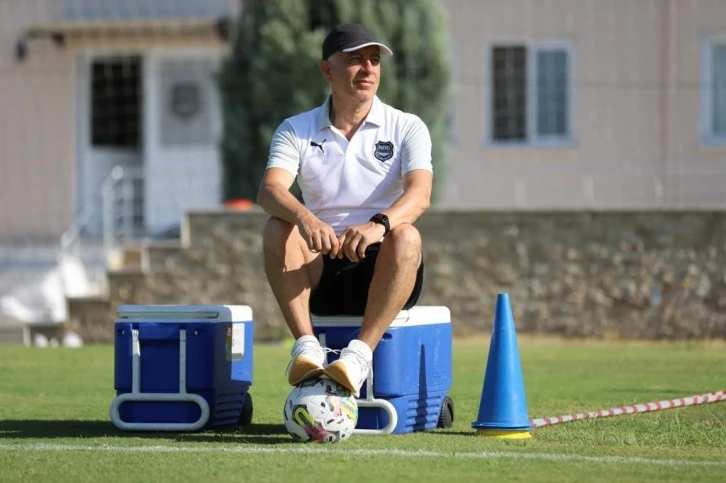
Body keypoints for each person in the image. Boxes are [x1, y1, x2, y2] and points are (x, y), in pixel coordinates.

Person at [257, 23, 433, 397]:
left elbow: (420, 194)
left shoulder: (407, 126)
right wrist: (306, 219)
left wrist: (378, 225)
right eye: (356, 60)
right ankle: (306, 348)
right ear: (327, 70)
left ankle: (358, 357)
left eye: (374, 60)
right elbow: (269, 190)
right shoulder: (295, 129)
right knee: (277, 227)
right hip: (319, 271)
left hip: (385, 268)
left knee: (407, 235)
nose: (368, 69)